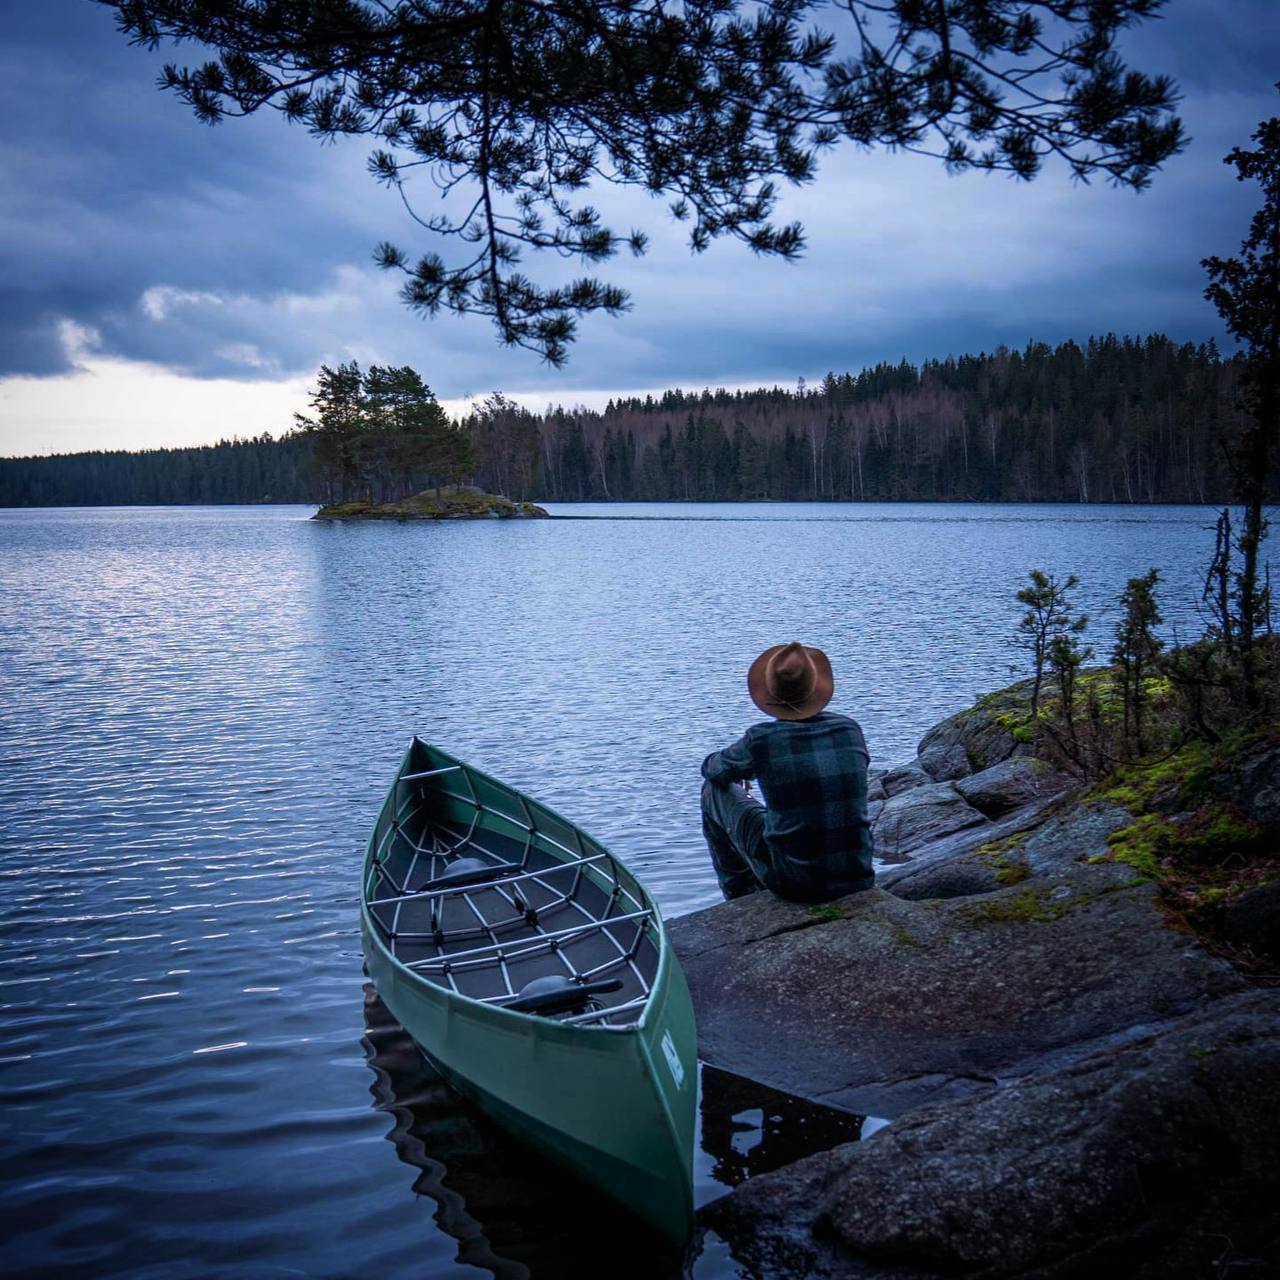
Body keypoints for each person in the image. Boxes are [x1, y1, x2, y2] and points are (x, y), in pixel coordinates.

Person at [701, 641, 874, 903]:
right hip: (858, 875)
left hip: (795, 885)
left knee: (712, 791)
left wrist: (744, 769)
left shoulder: (762, 739)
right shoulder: (849, 729)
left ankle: (739, 895)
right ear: (815, 686)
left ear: (771, 692)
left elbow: (712, 769)